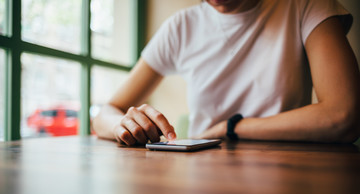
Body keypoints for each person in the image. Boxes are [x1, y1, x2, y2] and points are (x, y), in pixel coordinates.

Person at [93, 0, 360, 146]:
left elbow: (344, 115)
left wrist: (230, 128)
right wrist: (122, 124)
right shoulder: (181, 27)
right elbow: (106, 113)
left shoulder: (306, 5)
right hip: (202, 177)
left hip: (287, 169)